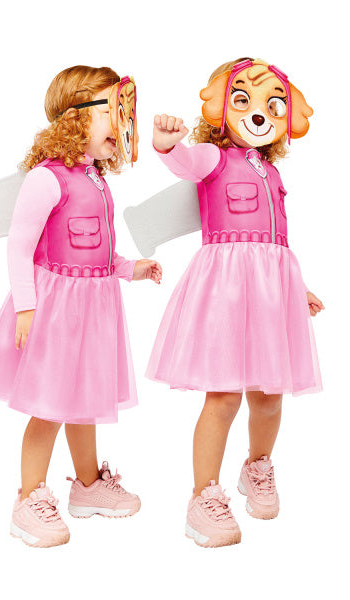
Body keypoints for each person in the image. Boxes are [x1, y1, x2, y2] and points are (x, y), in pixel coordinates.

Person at [0, 65, 162, 547]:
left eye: (123, 112)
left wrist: (131, 269)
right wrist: (26, 306)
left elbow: (99, 250)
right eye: (111, 110)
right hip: (57, 308)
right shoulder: (47, 178)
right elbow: (19, 246)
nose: (121, 123)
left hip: (95, 306)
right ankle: (29, 498)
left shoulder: (96, 179)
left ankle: (88, 485)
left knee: (86, 399)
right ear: (76, 116)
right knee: (50, 404)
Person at [146, 58, 323, 547]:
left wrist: (297, 288)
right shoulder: (214, 158)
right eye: (243, 100)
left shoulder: (272, 172)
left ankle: (257, 466)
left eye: (272, 104)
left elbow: (277, 239)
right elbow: (183, 162)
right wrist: (167, 144)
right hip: (225, 288)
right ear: (222, 108)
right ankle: (203, 496)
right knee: (223, 395)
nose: (259, 113)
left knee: (269, 394)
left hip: (272, 288)